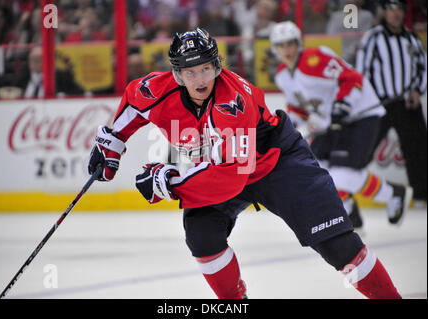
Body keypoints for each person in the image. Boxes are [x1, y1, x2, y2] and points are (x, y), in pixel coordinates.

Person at [88, 28, 402, 299]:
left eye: (206, 69)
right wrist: (112, 141)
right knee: (201, 234)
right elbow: (134, 101)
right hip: (226, 166)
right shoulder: (155, 89)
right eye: (190, 72)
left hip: (277, 162)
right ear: (176, 75)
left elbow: (229, 177)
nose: (200, 79)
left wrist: (169, 183)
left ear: (217, 66)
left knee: (338, 246)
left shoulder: (231, 102)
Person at [269, 21, 413, 230]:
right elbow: (297, 107)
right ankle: (349, 211)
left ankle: (394, 193)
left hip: (359, 116)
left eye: (290, 44)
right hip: (333, 123)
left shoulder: (314, 59)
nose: (286, 50)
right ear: (275, 49)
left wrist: (342, 107)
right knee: (316, 168)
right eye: (281, 46)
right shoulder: (282, 75)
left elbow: (352, 78)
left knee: (341, 175)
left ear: (298, 44)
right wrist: (295, 126)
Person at [356, 0, 427, 204]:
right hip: (381, 104)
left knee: (418, 149)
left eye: (399, 10)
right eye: (391, 10)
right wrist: (369, 99)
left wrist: (417, 92)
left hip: (407, 103)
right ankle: (347, 192)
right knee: (364, 147)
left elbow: (423, 68)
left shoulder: (412, 39)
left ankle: (422, 195)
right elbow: (362, 71)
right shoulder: (373, 37)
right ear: (384, 13)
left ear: (404, 13)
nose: (395, 14)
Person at [13, 46, 84, 98]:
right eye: (32, 59)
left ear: (48, 60)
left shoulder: (63, 78)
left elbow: (79, 94)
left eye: (38, 59)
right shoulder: (21, 79)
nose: (35, 63)